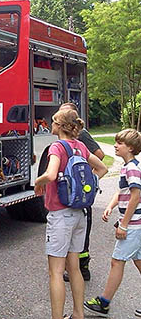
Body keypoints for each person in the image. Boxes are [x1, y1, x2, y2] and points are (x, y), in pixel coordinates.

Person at [34, 108, 107, 319]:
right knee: (74, 268)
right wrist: (88, 186)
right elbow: (101, 168)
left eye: (54, 121)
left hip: (60, 215)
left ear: (59, 126)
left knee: (55, 272)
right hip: (79, 214)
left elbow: (51, 174)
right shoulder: (81, 146)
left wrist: (38, 183)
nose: (51, 125)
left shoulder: (57, 147)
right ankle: (78, 314)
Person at [84, 128, 141, 318]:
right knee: (139, 261)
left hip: (133, 225)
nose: (115, 146)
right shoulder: (127, 167)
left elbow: (135, 196)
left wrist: (124, 224)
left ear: (131, 148)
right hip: (134, 224)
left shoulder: (132, 168)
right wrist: (110, 206)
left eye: (120, 143)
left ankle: (104, 303)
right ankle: (104, 302)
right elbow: (123, 193)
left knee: (117, 261)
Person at [60, 101, 105, 281]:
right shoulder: (65, 137)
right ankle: (74, 269)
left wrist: (86, 181)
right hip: (74, 196)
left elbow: (99, 155)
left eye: (65, 113)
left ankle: (82, 269)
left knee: (81, 235)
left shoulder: (82, 135)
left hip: (82, 196)